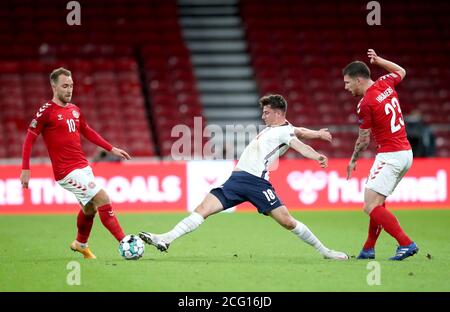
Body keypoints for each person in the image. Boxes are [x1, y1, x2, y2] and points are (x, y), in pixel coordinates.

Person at [140, 94, 349, 260]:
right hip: (236, 180)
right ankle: (166, 238)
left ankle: (325, 251)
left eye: (266, 112)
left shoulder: (284, 132)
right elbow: (300, 131)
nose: (263, 116)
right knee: (202, 210)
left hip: (256, 183)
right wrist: (319, 134)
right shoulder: (280, 128)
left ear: (278, 113)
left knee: (287, 222)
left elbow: (298, 144)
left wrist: (316, 156)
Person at [20, 67, 131, 259]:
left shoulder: (75, 110)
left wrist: (111, 148)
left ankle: (80, 244)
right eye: (65, 86)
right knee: (103, 199)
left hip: (83, 167)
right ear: (53, 86)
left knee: (89, 208)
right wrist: (25, 169)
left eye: (71, 85)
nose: (69, 90)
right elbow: (29, 139)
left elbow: (88, 131)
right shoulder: (46, 112)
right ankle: (126, 243)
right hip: (66, 171)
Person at [343, 49, 418, 261]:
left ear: (359, 80)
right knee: (378, 202)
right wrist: (380, 61)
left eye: (348, 83)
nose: (346, 88)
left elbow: (364, 139)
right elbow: (401, 71)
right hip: (406, 153)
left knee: (369, 205)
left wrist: (353, 159)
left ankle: (406, 243)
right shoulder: (385, 82)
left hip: (390, 155)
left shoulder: (365, 103)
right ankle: (368, 248)